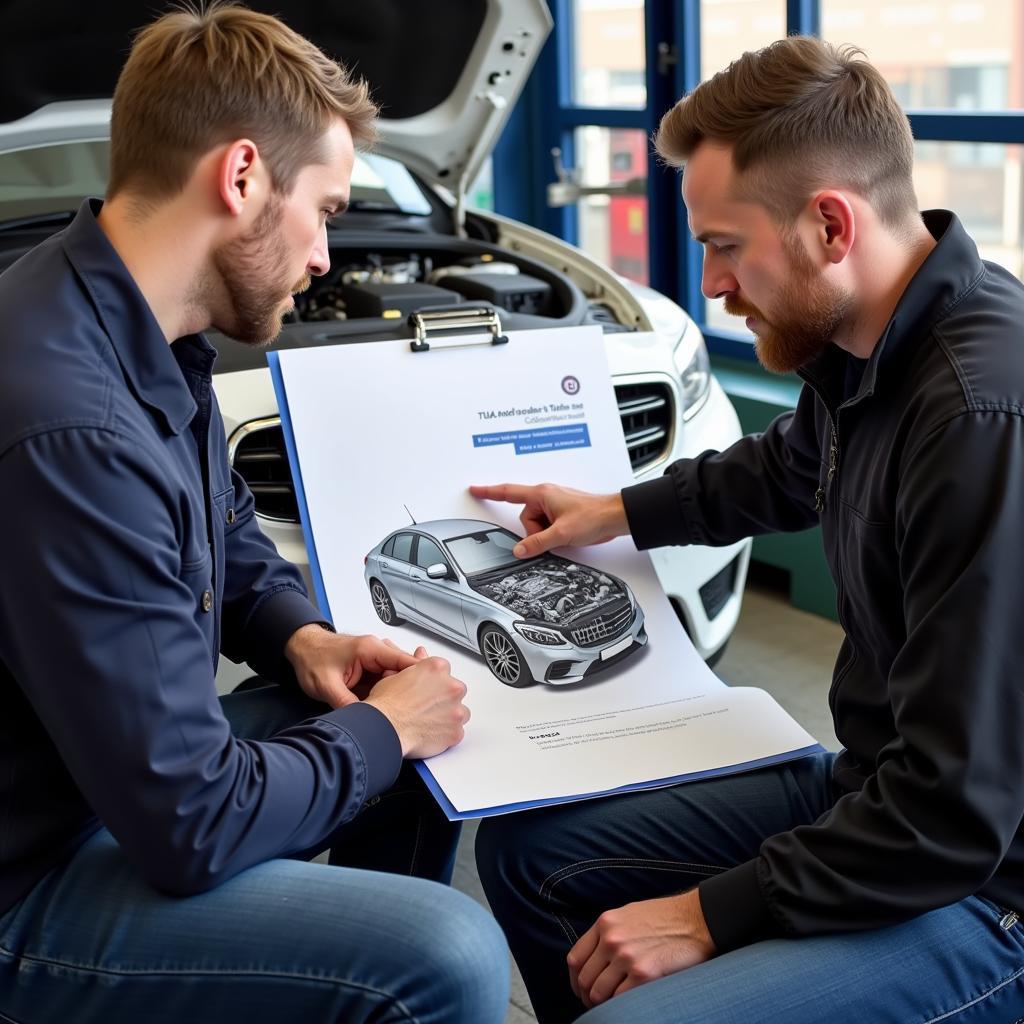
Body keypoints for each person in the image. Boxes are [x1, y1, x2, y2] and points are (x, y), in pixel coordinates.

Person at [473, 35, 1024, 1024]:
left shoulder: (977, 416)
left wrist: (703, 916)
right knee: (528, 855)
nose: (712, 281)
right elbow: (789, 464)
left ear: (828, 224)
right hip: (879, 792)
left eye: (725, 244)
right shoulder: (865, 349)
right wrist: (617, 512)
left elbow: (956, 812)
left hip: (986, 889)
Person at [0, 5, 509, 1022]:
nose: (325, 254)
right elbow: (188, 823)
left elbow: (221, 527)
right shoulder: (70, 424)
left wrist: (300, 634)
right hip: (30, 881)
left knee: (398, 746)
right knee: (447, 953)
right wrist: (378, 732)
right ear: (240, 178)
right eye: (322, 209)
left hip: (92, 783)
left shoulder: (124, 319)